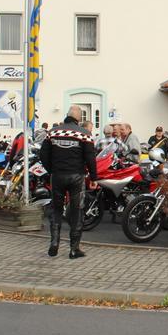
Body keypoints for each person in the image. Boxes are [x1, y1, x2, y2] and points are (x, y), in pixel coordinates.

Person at [40, 105, 98, 259]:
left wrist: (51, 169)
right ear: (79, 118)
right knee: (77, 210)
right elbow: (90, 158)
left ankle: (54, 243)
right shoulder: (85, 134)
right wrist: (93, 177)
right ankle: (74, 249)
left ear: (67, 115)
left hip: (57, 175)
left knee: (56, 209)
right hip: (76, 176)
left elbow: (43, 155)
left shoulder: (52, 132)